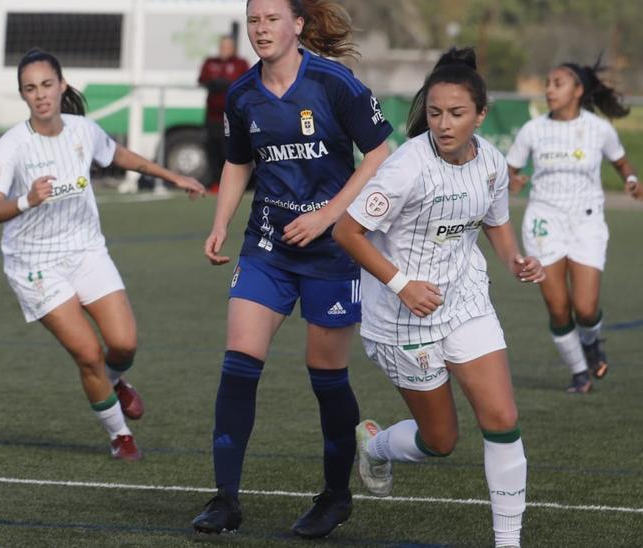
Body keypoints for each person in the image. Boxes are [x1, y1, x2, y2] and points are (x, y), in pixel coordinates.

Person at [191, 0, 393, 538]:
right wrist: (221, 222)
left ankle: (334, 495)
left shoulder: (333, 82)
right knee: (239, 363)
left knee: (326, 377)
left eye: (271, 19)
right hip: (268, 245)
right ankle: (225, 499)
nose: (261, 30)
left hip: (332, 252)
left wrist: (329, 216)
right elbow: (238, 162)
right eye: (253, 21)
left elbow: (379, 152)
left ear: (297, 25)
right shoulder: (241, 94)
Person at [334, 47, 543, 548]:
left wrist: (514, 258)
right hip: (402, 319)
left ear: (481, 115)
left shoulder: (490, 161)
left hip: (465, 301)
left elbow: (494, 222)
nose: (444, 124)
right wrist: (403, 284)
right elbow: (347, 232)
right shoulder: (406, 168)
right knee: (441, 441)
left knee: (502, 419)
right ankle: (378, 444)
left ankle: (508, 541)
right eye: (434, 113)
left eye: (456, 114)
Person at [0, 49, 206, 461]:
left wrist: (174, 176)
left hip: (86, 251)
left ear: (62, 86)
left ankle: (115, 380)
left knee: (124, 344)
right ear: (23, 95)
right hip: (36, 265)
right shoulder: (12, 145)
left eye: (47, 85)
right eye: (30, 89)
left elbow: (120, 156)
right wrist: (27, 200)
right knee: (87, 353)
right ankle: (120, 436)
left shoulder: (83, 130)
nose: (41, 95)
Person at [505, 58, 643, 394]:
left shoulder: (599, 129)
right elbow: (508, 170)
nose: (549, 89)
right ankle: (579, 373)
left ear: (578, 90)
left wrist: (631, 179)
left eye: (558, 83)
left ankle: (592, 342)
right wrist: (512, 180)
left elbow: (621, 161)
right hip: (543, 220)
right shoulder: (533, 129)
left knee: (584, 308)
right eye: (548, 83)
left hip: (586, 222)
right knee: (558, 308)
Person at [197, 35, 250, 186]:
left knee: (230, 150)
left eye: (227, 47)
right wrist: (213, 84)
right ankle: (215, 182)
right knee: (212, 149)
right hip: (213, 116)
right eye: (222, 46)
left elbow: (247, 81)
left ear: (233, 48)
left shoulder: (240, 63)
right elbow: (202, 79)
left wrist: (229, 85)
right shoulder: (210, 62)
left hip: (233, 115)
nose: (224, 50)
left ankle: (234, 184)